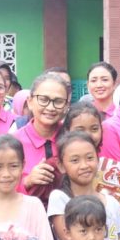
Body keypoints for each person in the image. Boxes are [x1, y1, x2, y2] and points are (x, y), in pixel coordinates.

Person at [48, 131, 120, 240]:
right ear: (61, 166)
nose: (84, 165)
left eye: (89, 158)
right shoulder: (60, 198)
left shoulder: (111, 203)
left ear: (98, 159)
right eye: (75, 160)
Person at [13, 72, 70, 205]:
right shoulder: (12, 143)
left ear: (66, 106)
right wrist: (27, 182)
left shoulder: (74, 140)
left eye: (58, 101)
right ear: (30, 102)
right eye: (43, 100)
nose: (50, 107)